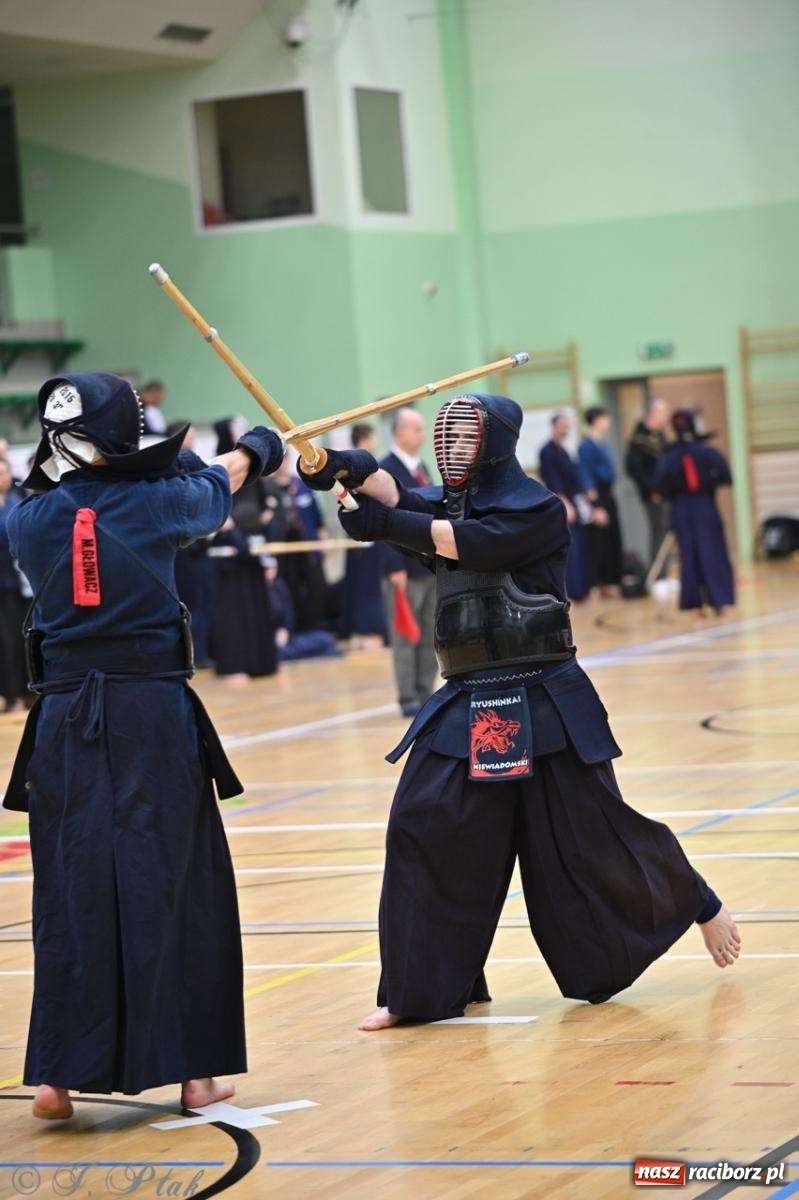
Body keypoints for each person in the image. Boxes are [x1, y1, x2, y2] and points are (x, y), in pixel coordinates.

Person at [298, 393, 740, 1029]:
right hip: (468, 698)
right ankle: (421, 993)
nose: (453, 449)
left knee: (594, 836)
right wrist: (347, 468)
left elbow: (459, 540)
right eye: (448, 437)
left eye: (465, 437)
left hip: (545, 698)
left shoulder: (538, 510)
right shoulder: (449, 504)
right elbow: (404, 499)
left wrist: (384, 522)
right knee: (424, 823)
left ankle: (700, 902)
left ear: (497, 442)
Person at [4, 372, 284, 1119]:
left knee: (71, 888)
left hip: (63, 720)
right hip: (149, 713)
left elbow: (81, 494)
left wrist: (158, 462)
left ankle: (57, 1078)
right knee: (178, 882)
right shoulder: (160, 501)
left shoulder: (25, 520)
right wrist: (258, 447)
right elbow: (218, 484)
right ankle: (195, 1076)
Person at [379, 408, 438, 716]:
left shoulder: (422, 468)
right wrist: (394, 565)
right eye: (416, 429)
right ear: (399, 432)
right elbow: (381, 520)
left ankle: (426, 691)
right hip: (402, 568)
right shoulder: (384, 469)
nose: (422, 435)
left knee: (430, 633)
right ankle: (407, 697)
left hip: (428, 564)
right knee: (405, 634)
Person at [654, 409, 735, 614]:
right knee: (712, 553)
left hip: (682, 508)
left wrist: (674, 490)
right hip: (704, 505)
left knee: (689, 555)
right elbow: (726, 476)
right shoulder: (707, 452)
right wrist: (709, 483)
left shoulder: (670, 456)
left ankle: (695, 604)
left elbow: (659, 485)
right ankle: (718, 600)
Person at [342, 424, 388, 647]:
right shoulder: (353, 467)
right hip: (363, 531)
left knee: (372, 584)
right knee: (365, 585)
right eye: (373, 437)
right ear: (366, 439)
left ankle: (372, 630)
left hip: (372, 532)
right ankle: (367, 631)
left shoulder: (367, 466)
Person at [538, 413, 591, 602]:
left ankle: (581, 589)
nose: (565, 429)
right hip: (561, 504)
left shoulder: (564, 451)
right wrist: (565, 504)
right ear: (554, 426)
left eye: (567, 425)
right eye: (562, 425)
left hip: (573, 500)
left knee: (580, 545)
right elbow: (553, 480)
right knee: (571, 546)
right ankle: (572, 590)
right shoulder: (547, 451)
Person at [578, 406, 622, 596]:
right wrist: (595, 507)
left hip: (608, 493)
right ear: (596, 420)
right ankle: (600, 583)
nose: (608, 421)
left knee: (613, 538)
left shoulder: (602, 443)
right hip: (597, 496)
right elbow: (586, 476)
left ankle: (612, 581)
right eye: (605, 417)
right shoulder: (586, 446)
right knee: (600, 541)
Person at [625, 397, 671, 571]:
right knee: (659, 531)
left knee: (666, 532)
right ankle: (658, 574)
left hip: (666, 493)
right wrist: (652, 490)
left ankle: (664, 571)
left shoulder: (660, 437)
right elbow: (634, 469)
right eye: (664, 414)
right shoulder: (639, 439)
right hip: (653, 496)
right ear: (654, 414)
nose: (666, 418)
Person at [0, 456, 29, 711]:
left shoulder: (18, 499)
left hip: (18, 583)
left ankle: (23, 693)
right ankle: (9, 696)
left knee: (18, 639)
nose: (3, 478)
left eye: (4, 473)